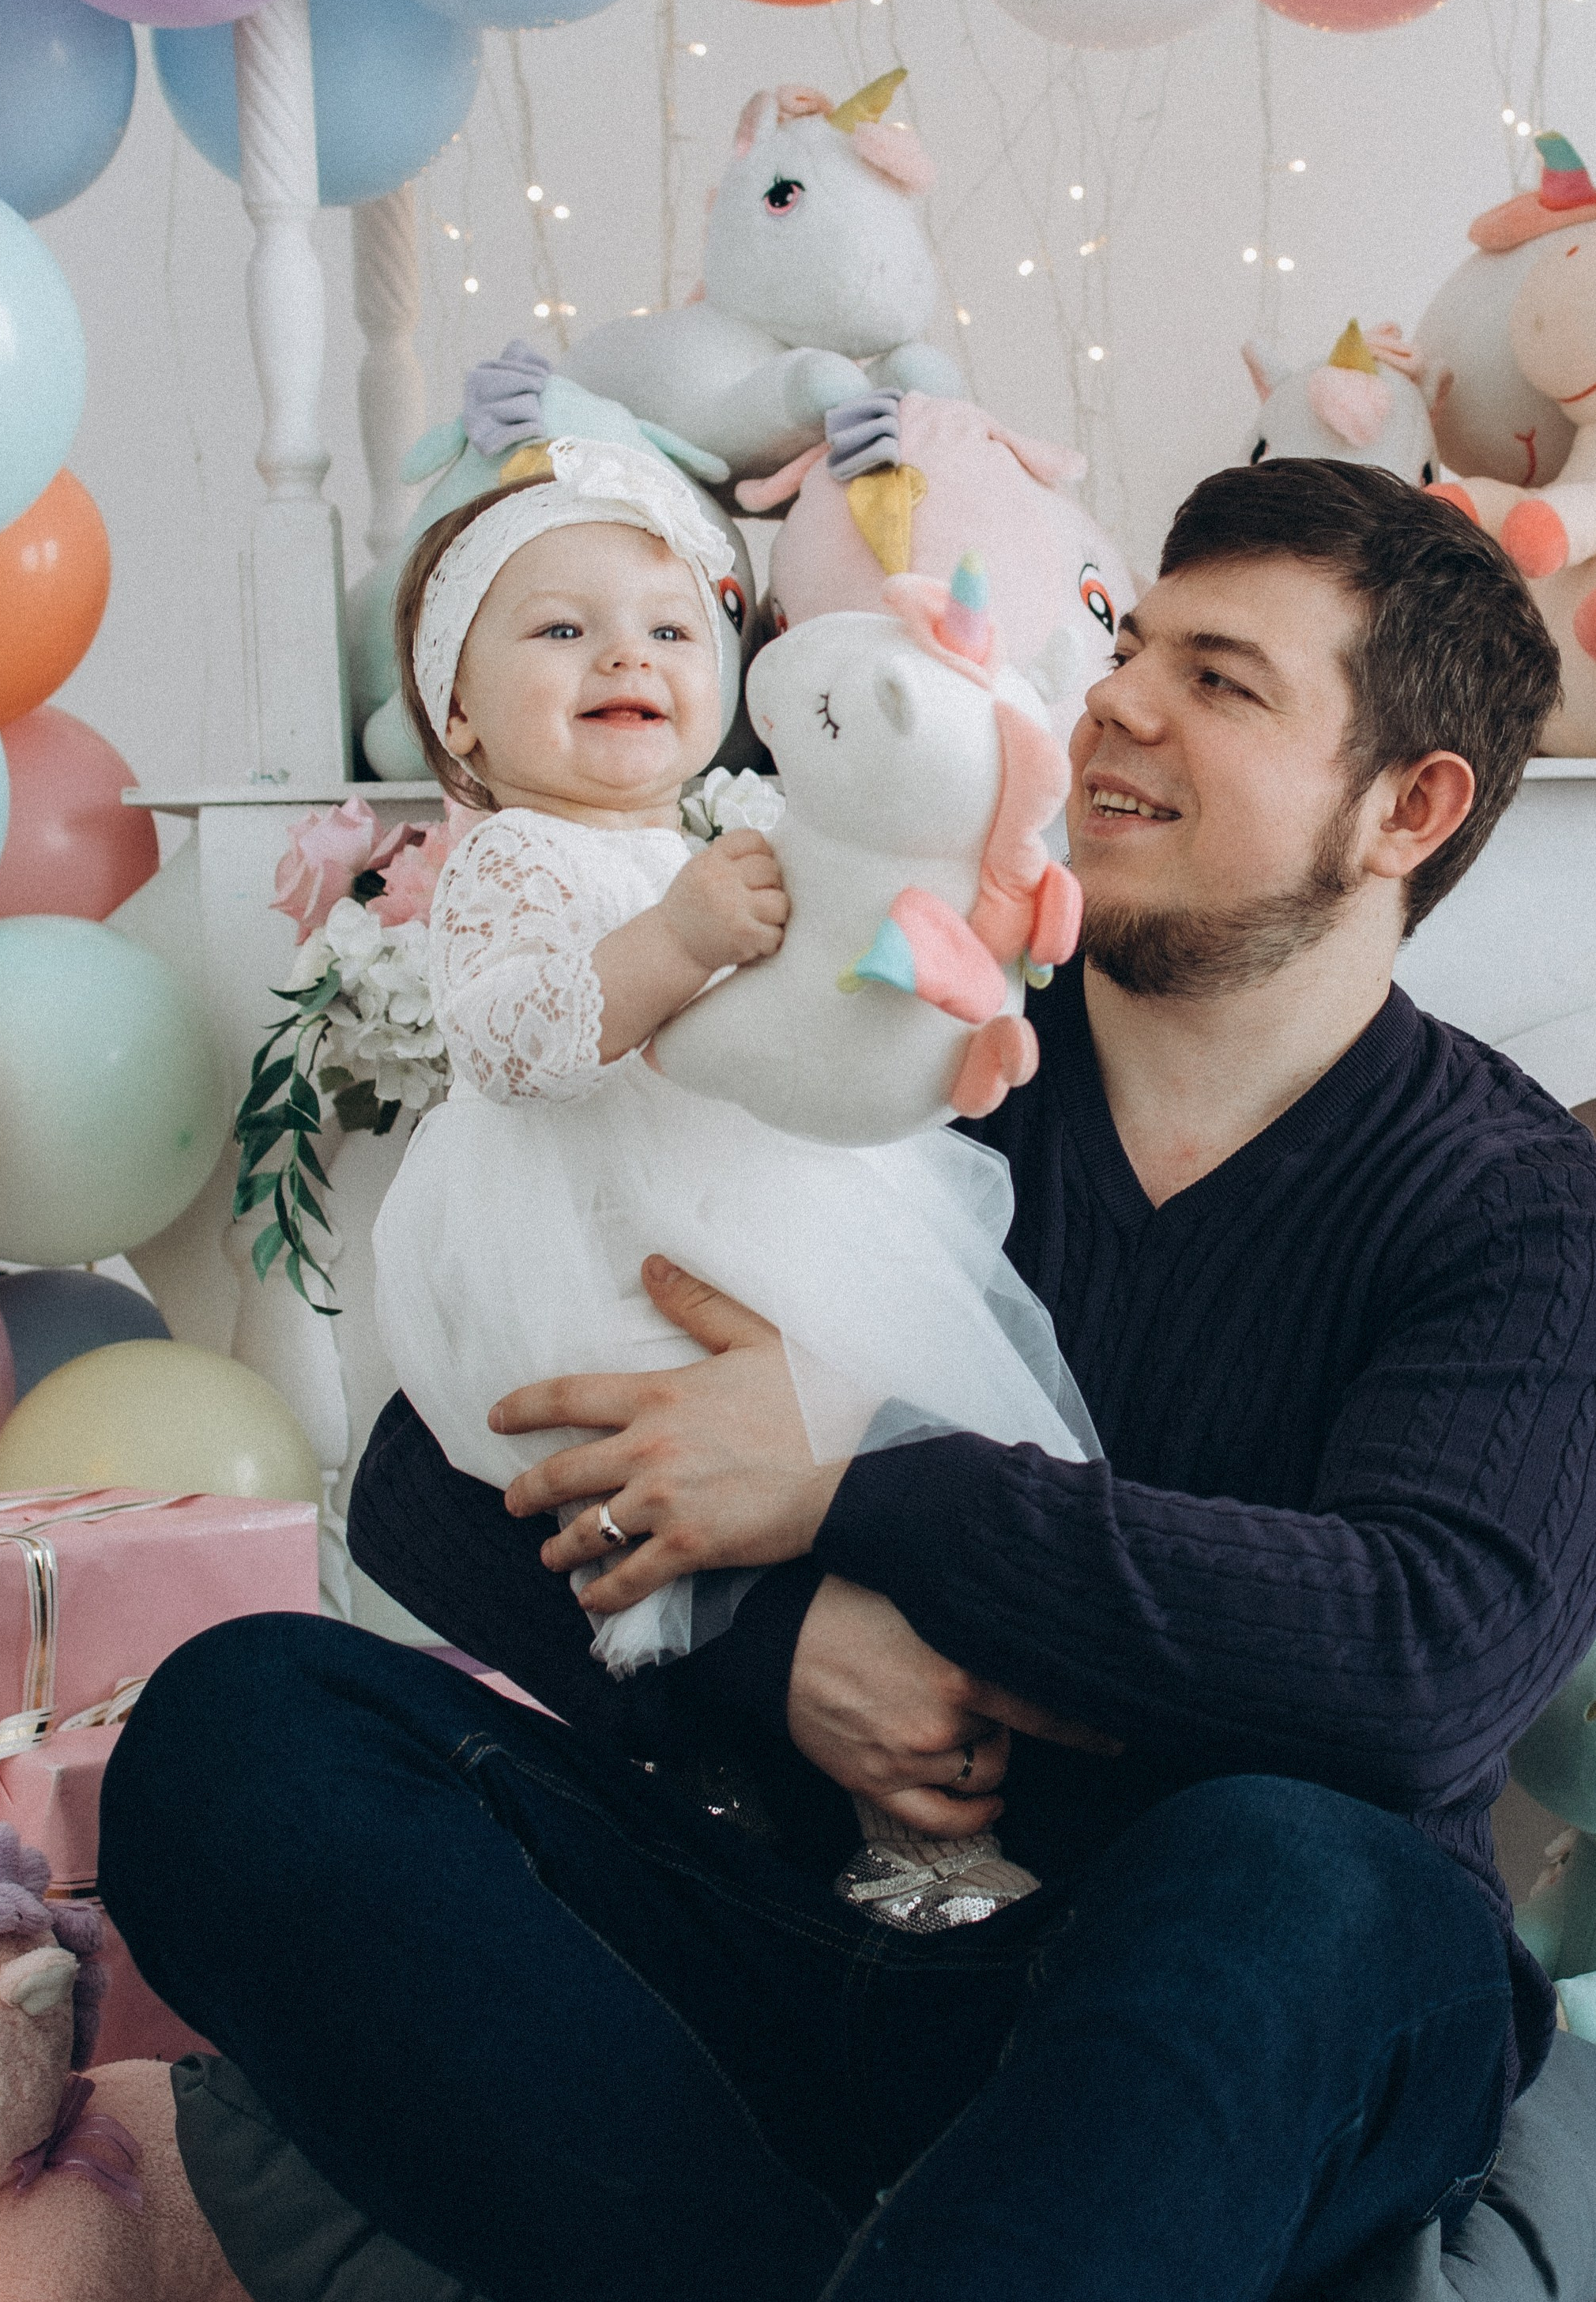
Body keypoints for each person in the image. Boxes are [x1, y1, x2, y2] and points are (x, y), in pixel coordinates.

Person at [100, 458, 1596, 2302]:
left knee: (1299, 1862)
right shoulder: (871, 1051)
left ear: (1408, 807)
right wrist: (771, 1641)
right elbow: (433, 1476)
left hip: (1228, 2004)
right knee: (238, 1726)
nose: (1114, 695)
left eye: (1221, 678)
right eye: (1130, 639)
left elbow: (1420, 1666)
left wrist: (862, 1472)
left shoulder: (1516, 1202)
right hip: (788, 1935)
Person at [371, 431, 1085, 1915]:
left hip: (779, 1210)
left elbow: (810, 990)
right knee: (678, 1506)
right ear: (460, 718)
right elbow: (515, 1037)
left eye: (672, 627)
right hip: (591, 1242)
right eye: (560, 630)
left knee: (874, 1453)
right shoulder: (519, 860)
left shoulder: (730, 825)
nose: (623, 654)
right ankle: (740, 1790)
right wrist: (684, 938)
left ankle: (931, 1828)